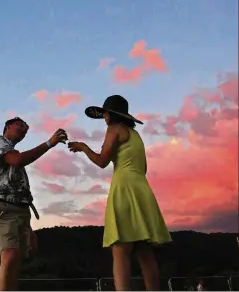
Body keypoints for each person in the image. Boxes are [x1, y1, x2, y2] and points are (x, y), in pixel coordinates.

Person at [68, 95, 172, 291]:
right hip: (142, 187)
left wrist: (83, 147)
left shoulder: (114, 129)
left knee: (120, 248)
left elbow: (101, 161)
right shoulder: (135, 135)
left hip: (124, 187)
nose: (104, 117)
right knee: (144, 251)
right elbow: (143, 167)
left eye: (105, 113)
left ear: (111, 114)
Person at [0, 117, 68, 291]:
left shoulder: (13, 153)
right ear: (7, 126)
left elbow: (19, 184)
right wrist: (49, 143)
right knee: (9, 255)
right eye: (21, 125)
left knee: (16, 261)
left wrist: (29, 228)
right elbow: (18, 160)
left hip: (21, 209)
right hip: (4, 207)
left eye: (27, 128)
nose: (24, 129)